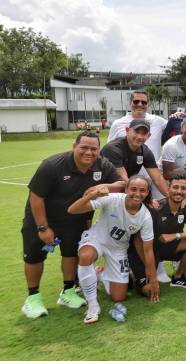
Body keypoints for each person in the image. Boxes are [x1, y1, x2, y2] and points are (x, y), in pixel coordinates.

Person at [20, 131, 124, 319]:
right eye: (84, 147)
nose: (89, 152)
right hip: (42, 218)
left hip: (74, 219)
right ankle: (32, 297)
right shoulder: (52, 165)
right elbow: (36, 197)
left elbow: (122, 183)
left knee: (70, 253)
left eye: (93, 149)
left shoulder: (103, 165)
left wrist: (105, 187)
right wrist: (43, 228)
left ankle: (68, 291)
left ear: (98, 151)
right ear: (74, 147)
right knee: (35, 257)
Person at [69, 176, 157, 324]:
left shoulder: (145, 217)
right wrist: (92, 195)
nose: (137, 194)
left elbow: (148, 250)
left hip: (118, 249)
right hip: (97, 239)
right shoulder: (113, 198)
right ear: (126, 189)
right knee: (85, 256)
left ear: (148, 192)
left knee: (119, 297)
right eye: (133, 189)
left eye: (142, 190)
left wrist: (153, 279)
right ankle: (93, 306)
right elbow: (73, 210)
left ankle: (100, 273)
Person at [129, 174, 186, 292]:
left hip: (168, 247)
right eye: (175, 187)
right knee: (149, 290)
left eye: (183, 188)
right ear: (168, 189)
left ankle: (178, 277)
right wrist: (149, 267)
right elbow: (137, 239)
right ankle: (130, 274)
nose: (179, 191)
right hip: (148, 251)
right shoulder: (156, 207)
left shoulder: (185, 208)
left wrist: (176, 235)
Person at [100, 119, 170, 198]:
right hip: (104, 187)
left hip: (124, 187)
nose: (139, 137)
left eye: (144, 134)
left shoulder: (145, 151)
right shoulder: (112, 149)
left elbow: (158, 178)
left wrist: (170, 197)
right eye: (136, 132)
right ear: (127, 130)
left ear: (148, 136)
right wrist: (146, 200)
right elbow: (123, 178)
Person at [107, 90, 168, 164]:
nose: (140, 104)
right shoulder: (118, 124)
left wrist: (177, 115)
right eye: (136, 101)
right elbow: (110, 149)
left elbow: (177, 125)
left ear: (148, 104)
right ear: (130, 103)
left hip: (153, 171)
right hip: (127, 173)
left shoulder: (158, 121)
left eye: (144, 102)